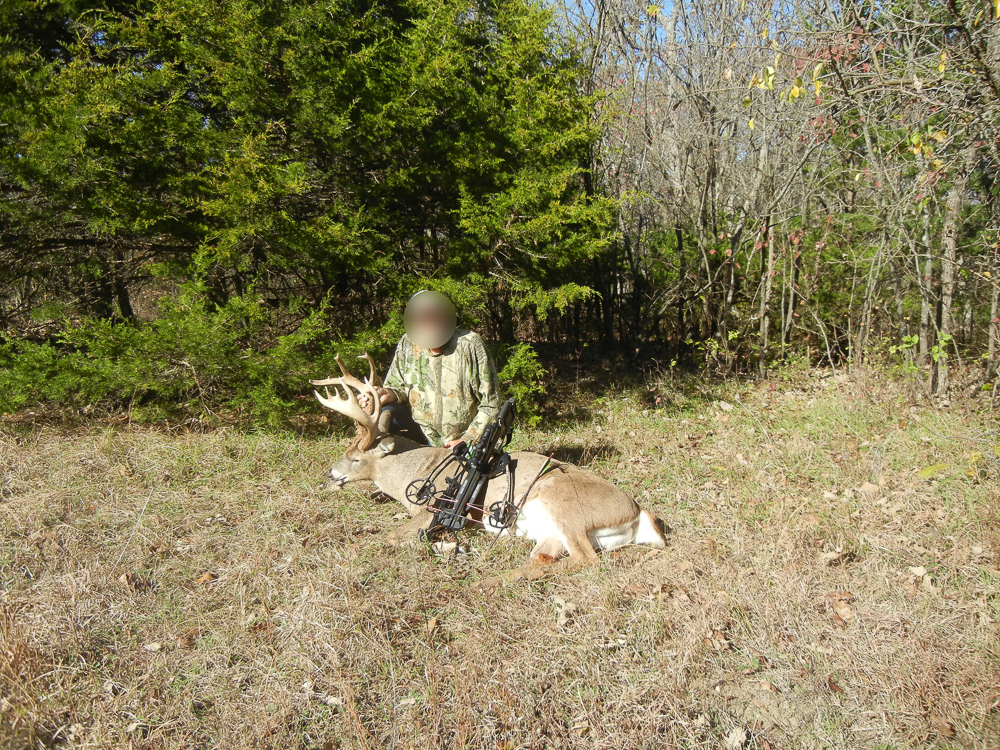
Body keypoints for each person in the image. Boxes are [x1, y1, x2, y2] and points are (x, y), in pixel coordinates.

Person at [358, 290, 501, 448]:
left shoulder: (469, 345)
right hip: (420, 435)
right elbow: (399, 388)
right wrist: (387, 393)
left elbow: (490, 403)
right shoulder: (407, 343)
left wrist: (468, 439)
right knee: (386, 410)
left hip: (463, 438)